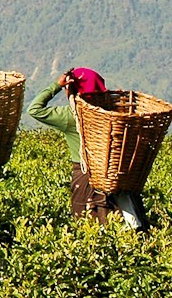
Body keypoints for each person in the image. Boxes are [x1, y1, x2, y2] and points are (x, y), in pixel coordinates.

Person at [27, 67, 148, 231]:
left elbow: (34, 109)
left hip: (85, 178)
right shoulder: (114, 113)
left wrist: (56, 85)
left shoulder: (72, 116)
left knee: (90, 228)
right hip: (117, 176)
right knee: (123, 228)